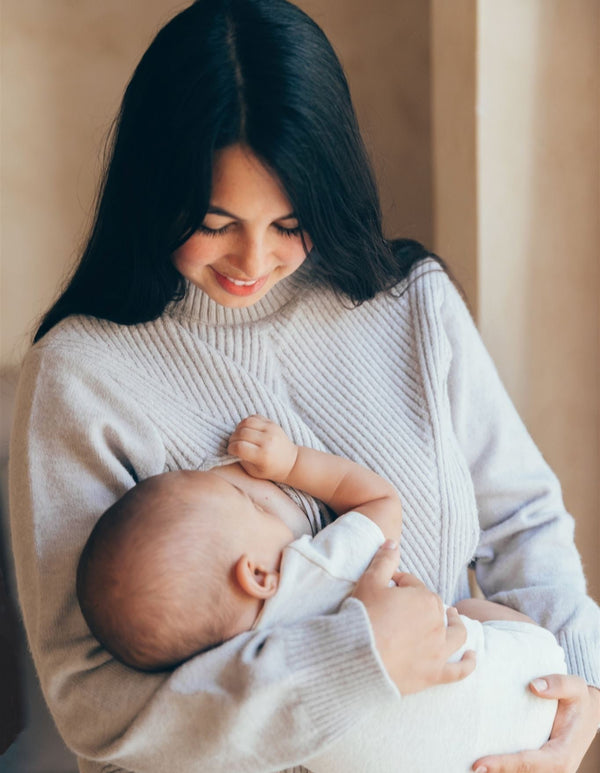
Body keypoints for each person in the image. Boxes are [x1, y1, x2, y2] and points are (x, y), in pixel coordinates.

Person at [8, 1, 599, 772]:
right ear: (157, 192)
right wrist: (351, 662)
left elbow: (523, 522)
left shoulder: (410, 302)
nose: (252, 259)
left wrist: (579, 689)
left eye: (290, 223)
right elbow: (95, 701)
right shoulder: (83, 376)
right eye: (216, 221)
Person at [77, 415, 566, 772]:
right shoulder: (312, 571)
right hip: (531, 697)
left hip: (465, 760)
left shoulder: (241, 689)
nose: (267, 503)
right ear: (257, 574)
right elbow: (379, 500)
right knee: (466, 610)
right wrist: (290, 464)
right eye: (253, 505)